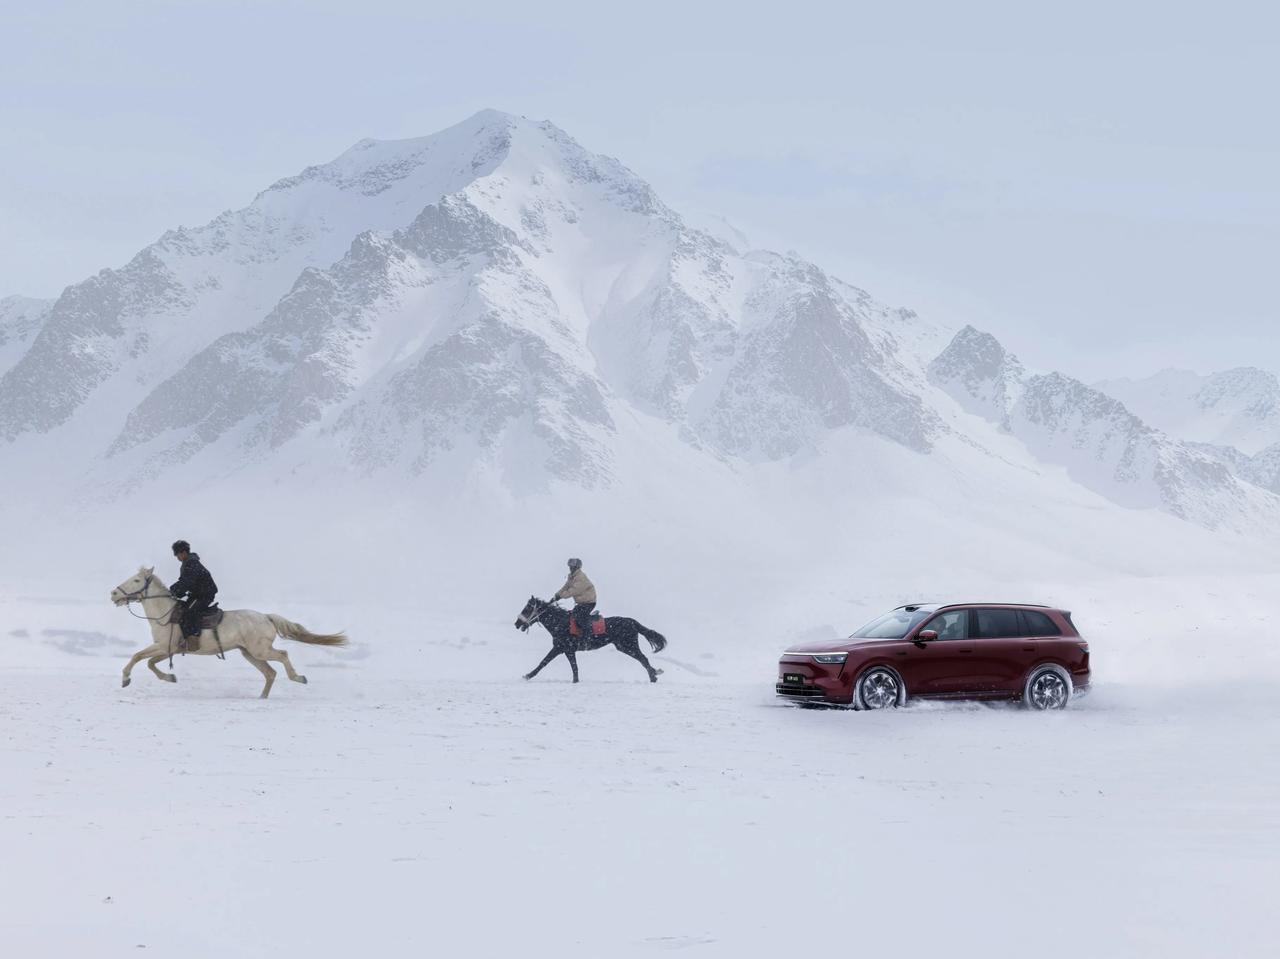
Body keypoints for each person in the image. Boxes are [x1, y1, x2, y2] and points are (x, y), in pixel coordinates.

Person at [169, 540, 218, 642]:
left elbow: (186, 582)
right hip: (197, 594)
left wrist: (173, 590)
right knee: (181, 609)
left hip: (205, 594)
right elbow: (184, 582)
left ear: (183, 552)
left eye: (177, 555)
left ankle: (193, 638)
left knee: (189, 612)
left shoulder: (192, 563)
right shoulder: (187, 563)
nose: (177, 557)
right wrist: (174, 591)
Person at [553, 557, 597, 636]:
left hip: (589, 603)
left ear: (577, 567)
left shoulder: (581, 577)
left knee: (579, 617)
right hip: (581, 603)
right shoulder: (572, 577)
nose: (570, 568)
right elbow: (565, 587)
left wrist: (561, 596)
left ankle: (588, 634)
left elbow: (573, 591)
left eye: (572, 567)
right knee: (571, 616)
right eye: (570, 566)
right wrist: (556, 595)